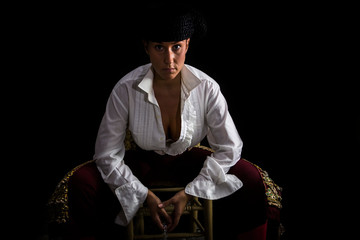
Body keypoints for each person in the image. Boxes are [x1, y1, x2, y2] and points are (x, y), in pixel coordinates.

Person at [63, 5, 282, 240]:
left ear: (187, 44)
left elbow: (230, 148)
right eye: (159, 47)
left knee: (253, 180)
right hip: (142, 161)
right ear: (146, 47)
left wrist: (191, 191)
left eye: (176, 47)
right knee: (82, 183)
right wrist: (141, 193)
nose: (169, 59)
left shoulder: (207, 88)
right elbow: (106, 153)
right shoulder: (125, 88)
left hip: (188, 161)